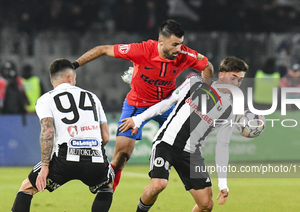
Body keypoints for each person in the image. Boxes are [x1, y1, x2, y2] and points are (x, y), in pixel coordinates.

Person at [119, 56, 249, 212]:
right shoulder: (195, 83)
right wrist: (138, 120)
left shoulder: (230, 108)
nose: (236, 83)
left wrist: (223, 182)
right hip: (166, 143)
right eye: (233, 77)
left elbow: (223, 144)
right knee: (158, 185)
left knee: (206, 204)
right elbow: (166, 103)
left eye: (240, 80)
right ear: (221, 74)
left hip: (192, 154)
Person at [73, 19, 213, 193]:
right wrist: (74, 65)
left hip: (166, 106)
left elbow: (207, 66)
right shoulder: (142, 50)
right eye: (175, 44)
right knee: (123, 153)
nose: (179, 49)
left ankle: (197, 189)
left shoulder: (186, 54)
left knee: (185, 146)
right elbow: (103, 49)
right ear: (161, 42)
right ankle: (107, 190)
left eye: (181, 44)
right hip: (136, 105)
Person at [0, 59, 115, 212]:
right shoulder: (92, 97)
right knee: (107, 186)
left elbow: (47, 131)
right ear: (71, 77)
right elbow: (105, 136)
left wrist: (45, 166)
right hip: (95, 158)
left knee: (27, 188)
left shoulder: (46, 99)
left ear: (52, 78)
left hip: (64, 159)